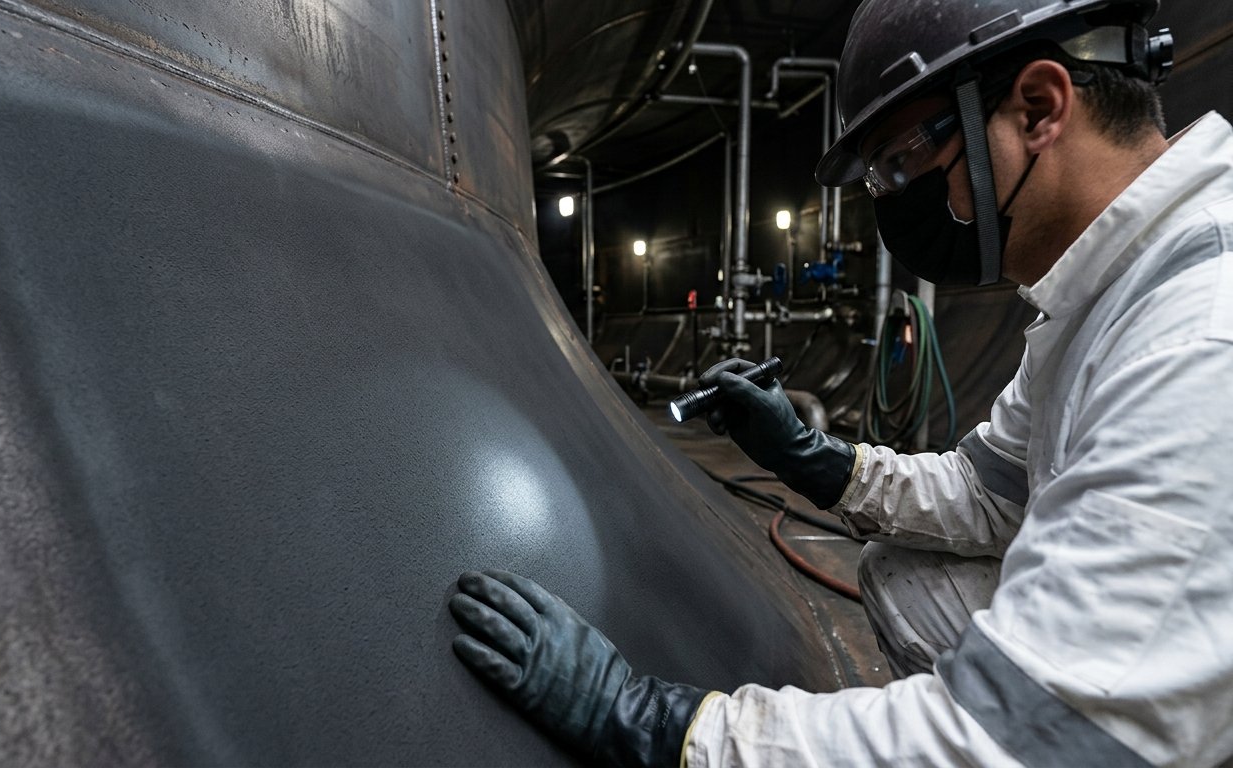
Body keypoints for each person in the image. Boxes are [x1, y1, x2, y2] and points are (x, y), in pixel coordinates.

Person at [448, 0, 1233, 765]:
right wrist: (814, 459)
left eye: (906, 165)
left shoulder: (1195, 343)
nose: (918, 203)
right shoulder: (1101, 295)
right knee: (905, 576)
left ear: (1037, 109)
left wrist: (658, 726)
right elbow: (990, 493)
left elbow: (1020, 742)